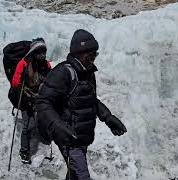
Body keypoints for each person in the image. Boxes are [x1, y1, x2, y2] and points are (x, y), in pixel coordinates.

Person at [36, 29, 127, 179]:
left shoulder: (88, 72)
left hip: (81, 135)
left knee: (74, 173)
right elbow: (43, 102)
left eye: (95, 55)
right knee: (81, 176)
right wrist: (59, 126)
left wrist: (108, 117)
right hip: (67, 137)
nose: (94, 59)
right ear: (79, 53)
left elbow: (90, 99)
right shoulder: (63, 73)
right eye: (91, 55)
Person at [11, 38, 51, 164]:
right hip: (25, 98)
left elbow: (51, 79)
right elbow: (15, 83)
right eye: (40, 52)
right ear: (34, 52)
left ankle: (43, 142)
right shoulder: (23, 64)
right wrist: (24, 96)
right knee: (28, 126)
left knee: (41, 122)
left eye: (44, 52)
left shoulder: (46, 64)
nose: (42, 55)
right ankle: (24, 151)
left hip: (39, 97)